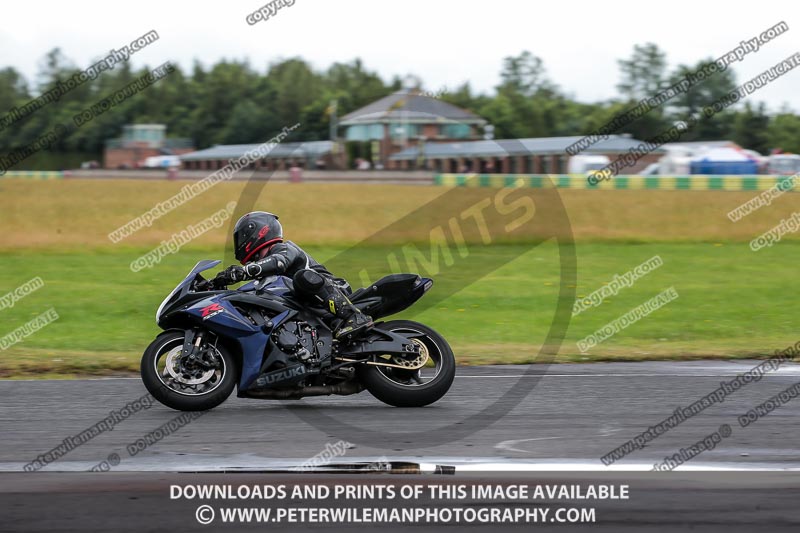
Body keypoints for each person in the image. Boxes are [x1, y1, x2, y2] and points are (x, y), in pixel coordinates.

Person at [214, 211, 373, 340]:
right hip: (308, 308)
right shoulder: (264, 275)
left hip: (335, 290)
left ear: (258, 232)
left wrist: (243, 272)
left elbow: (279, 262)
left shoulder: (284, 249)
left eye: (242, 236)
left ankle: (354, 316)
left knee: (302, 277)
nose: (240, 243)